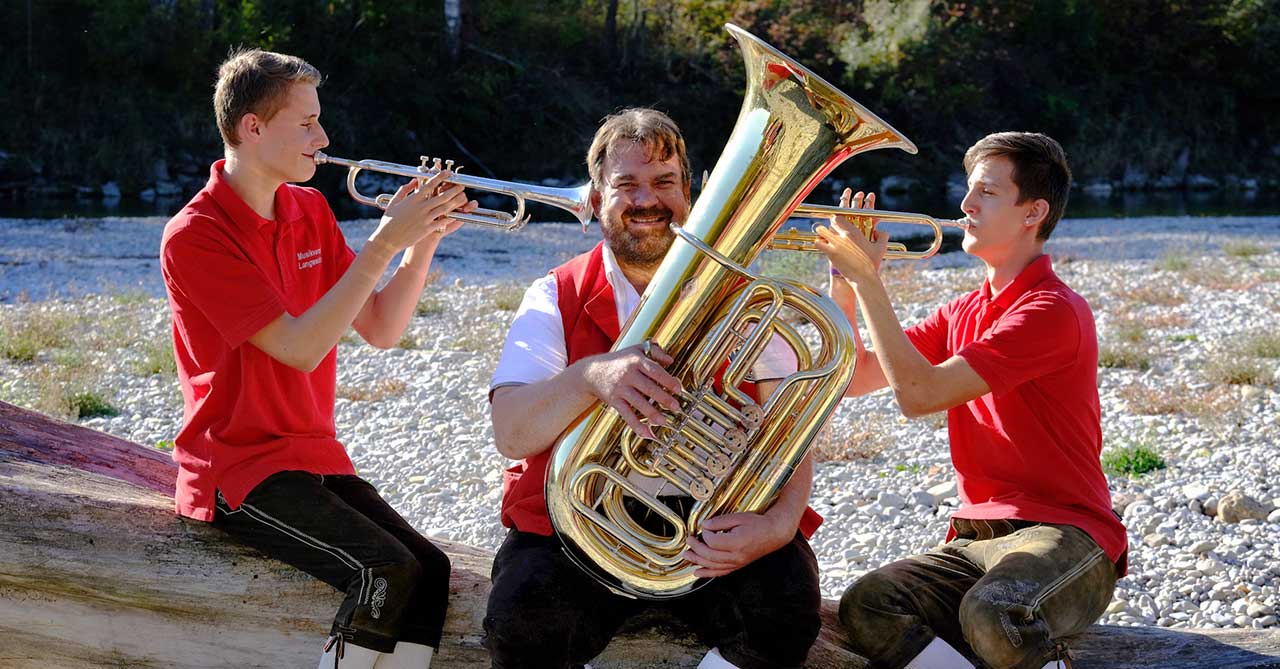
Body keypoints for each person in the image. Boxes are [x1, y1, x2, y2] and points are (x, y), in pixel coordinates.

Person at [160, 48, 476, 669]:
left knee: (431, 569)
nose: (324, 138)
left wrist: (423, 241)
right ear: (253, 129)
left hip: (310, 452)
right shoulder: (195, 234)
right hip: (237, 464)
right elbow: (301, 348)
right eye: (306, 123)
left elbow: (381, 329)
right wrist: (386, 240)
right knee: (383, 570)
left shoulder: (308, 209)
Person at [482, 108, 824, 669]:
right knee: (524, 623)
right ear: (596, 200)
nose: (648, 200)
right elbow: (512, 432)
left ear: (690, 193)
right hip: (577, 522)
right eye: (627, 185)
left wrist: (780, 523)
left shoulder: (742, 299)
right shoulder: (554, 294)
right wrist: (592, 376)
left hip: (712, 522)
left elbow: (792, 431)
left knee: (783, 612)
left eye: (664, 182)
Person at [814, 132, 1127, 669]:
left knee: (995, 614)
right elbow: (856, 374)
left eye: (986, 192)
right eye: (969, 189)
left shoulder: (1053, 310)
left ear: (1033, 212)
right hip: (974, 540)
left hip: (1068, 537)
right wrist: (845, 280)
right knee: (867, 606)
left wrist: (872, 283)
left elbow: (919, 396)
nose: (964, 205)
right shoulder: (962, 311)